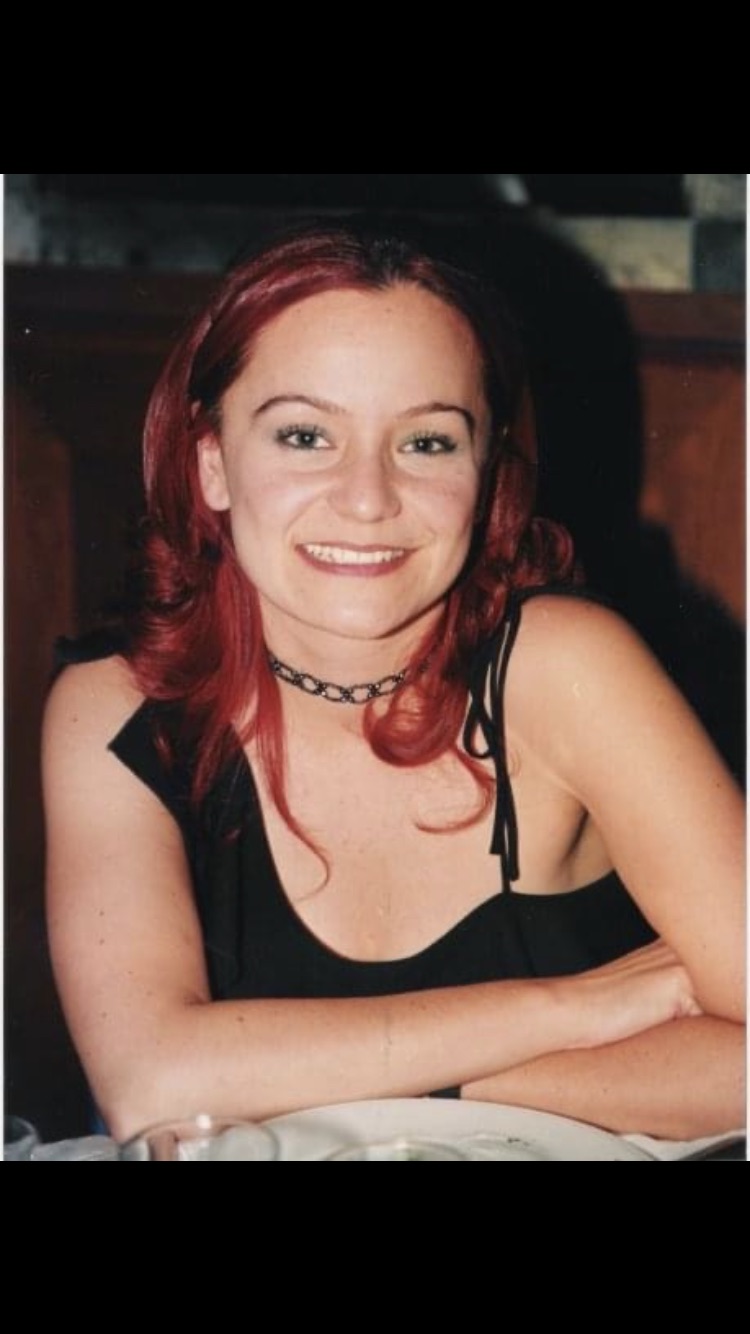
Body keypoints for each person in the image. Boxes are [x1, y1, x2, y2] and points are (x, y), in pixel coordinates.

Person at [43, 218, 745, 1144]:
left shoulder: (565, 668)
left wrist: (381, 1078)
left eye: (427, 443)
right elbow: (152, 1081)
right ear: (212, 463)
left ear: (487, 472)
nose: (368, 499)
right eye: (305, 435)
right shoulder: (121, 707)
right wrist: (572, 1009)